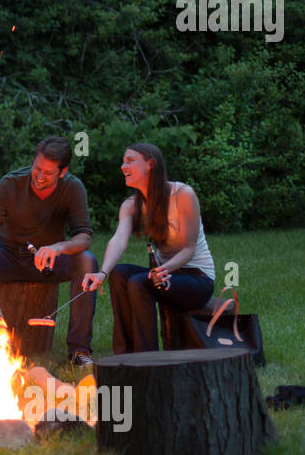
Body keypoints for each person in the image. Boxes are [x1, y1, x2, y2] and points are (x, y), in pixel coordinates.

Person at [0, 137, 99, 367]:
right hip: (7, 254)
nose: (40, 176)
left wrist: (58, 247)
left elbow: (84, 236)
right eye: (37, 168)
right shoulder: (11, 183)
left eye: (49, 173)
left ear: (63, 172)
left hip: (50, 259)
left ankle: (79, 350)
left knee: (87, 262)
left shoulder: (72, 187)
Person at [82, 143, 215, 352]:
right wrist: (103, 273)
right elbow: (119, 239)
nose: (123, 166)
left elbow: (188, 249)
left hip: (197, 278)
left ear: (151, 163)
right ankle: (125, 354)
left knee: (138, 283)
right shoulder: (131, 204)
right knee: (118, 274)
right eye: (123, 161)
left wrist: (164, 270)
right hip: (165, 275)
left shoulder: (182, 195)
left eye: (130, 160)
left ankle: (148, 357)